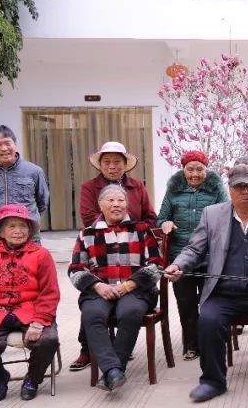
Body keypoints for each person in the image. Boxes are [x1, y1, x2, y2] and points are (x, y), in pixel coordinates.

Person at [165, 163, 248, 402]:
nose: (244, 192)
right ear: (229, 188)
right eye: (238, 186)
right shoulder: (212, 215)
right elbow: (194, 248)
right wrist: (178, 265)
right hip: (223, 293)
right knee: (208, 320)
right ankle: (213, 381)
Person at [71, 141, 158, 372]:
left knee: (129, 310)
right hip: (101, 248)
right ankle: (92, 353)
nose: (112, 166)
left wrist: (135, 230)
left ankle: (113, 364)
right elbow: (88, 216)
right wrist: (106, 231)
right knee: (93, 309)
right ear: (99, 164)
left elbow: (150, 216)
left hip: (134, 253)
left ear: (125, 165)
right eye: (107, 162)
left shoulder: (137, 186)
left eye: (117, 162)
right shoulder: (90, 188)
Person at [69, 184, 163, 392]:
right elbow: (75, 269)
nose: (116, 204)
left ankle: (113, 369)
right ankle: (114, 371)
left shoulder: (141, 230)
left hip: (136, 289)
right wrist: (97, 286)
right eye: (110, 200)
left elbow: (157, 265)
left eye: (120, 200)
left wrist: (129, 285)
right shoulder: (87, 233)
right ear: (100, 205)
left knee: (129, 312)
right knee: (92, 315)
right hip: (99, 291)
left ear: (127, 205)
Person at [0, 204, 60, 402]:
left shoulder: (41, 254)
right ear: (0, 230)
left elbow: (50, 292)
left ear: (30, 230)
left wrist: (39, 321)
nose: (18, 231)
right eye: (11, 226)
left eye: (23, 226)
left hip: (31, 311)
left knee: (48, 339)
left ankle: (32, 380)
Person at [156, 150, 228, 361]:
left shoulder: (216, 190)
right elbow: (161, 219)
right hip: (180, 258)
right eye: (190, 169)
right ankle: (192, 345)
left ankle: (211, 343)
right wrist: (165, 224)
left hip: (211, 257)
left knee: (210, 303)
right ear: (183, 170)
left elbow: (226, 216)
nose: (195, 174)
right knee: (186, 304)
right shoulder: (173, 191)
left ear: (206, 169)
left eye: (199, 169)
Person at [0, 125, 49, 245]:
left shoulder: (34, 171)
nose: (4, 148)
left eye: (8, 143)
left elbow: (42, 202)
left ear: (15, 145)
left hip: (27, 236)